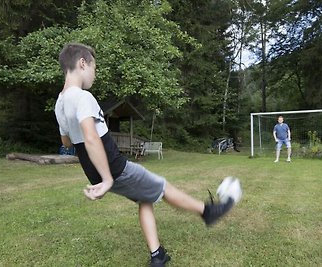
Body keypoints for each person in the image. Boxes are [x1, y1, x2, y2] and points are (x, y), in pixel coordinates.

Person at [54, 43, 235, 267]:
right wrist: (108, 178)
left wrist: (102, 177)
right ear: (82, 63)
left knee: (145, 198)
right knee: (163, 186)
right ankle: (208, 212)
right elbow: (91, 137)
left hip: (94, 173)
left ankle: (157, 255)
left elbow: (67, 142)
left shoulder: (60, 103)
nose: (95, 74)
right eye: (94, 67)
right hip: (113, 168)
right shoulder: (82, 97)